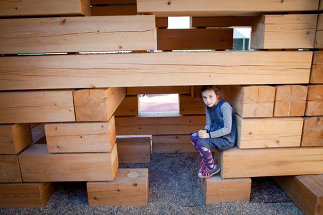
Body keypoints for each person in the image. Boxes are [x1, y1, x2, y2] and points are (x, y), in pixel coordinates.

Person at [190, 86, 237, 178]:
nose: (208, 101)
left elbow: (227, 129)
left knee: (200, 143)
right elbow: (208, 124)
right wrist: (204, 131)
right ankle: (209, 160)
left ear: (217, 95)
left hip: (226, 139)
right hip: (215, 135)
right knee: (194, 137)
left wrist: (209, 135)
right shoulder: (208, 107)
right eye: (204, 97)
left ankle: (212, 168)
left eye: (211, 96)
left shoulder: (225, 106)